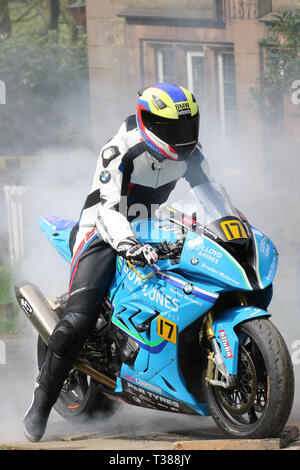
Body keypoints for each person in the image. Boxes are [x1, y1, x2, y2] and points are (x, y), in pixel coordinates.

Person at [23, 82, 211, 442]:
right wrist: (128, 244)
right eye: (174, 130)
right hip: (103, 231)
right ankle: (40, 403)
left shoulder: (190, 154)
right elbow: (108, 211)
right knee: (75, 324)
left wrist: (231, 220)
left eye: (188, 128)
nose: (183, 137)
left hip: (151, 227)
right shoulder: (118, 152)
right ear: (149, 123)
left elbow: (209, 191)